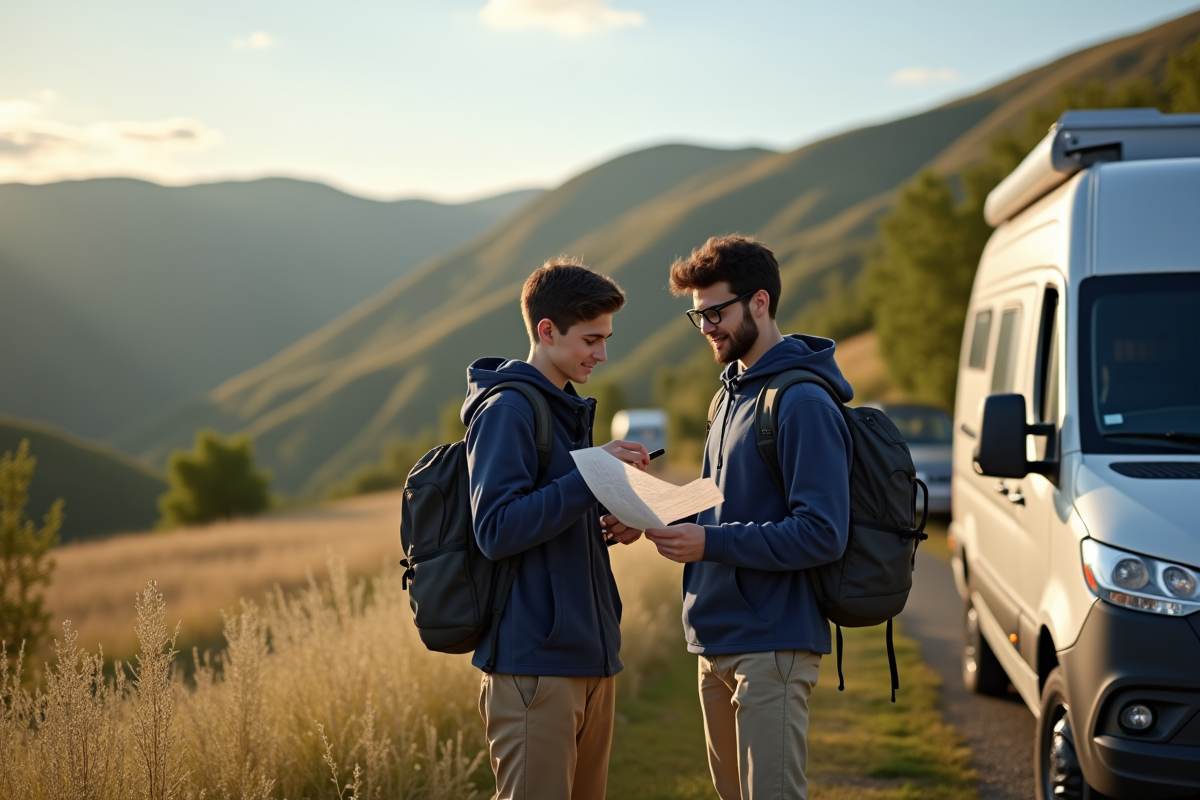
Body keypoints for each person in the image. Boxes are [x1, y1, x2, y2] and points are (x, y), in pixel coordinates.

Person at [645, 235, 853, 799]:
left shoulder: (801, 401)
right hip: (713, 639)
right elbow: (720, 493)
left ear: (759, 303)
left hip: (772, 645)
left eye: (716, 312)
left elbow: (822, 532)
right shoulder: (730, 396)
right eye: (698, 316)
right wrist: (645, 508)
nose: (707, 326)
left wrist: (709, 544)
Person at [462, 258, 648, 800]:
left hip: (590, 658)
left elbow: (554, 511)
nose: (602, 353)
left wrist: (619, 518)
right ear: (547, 331)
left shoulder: (564, 409)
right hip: (534, 668)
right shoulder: (507, 410)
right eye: (592, 338)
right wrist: (594, 475)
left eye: (606, 338)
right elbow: (496, 528)